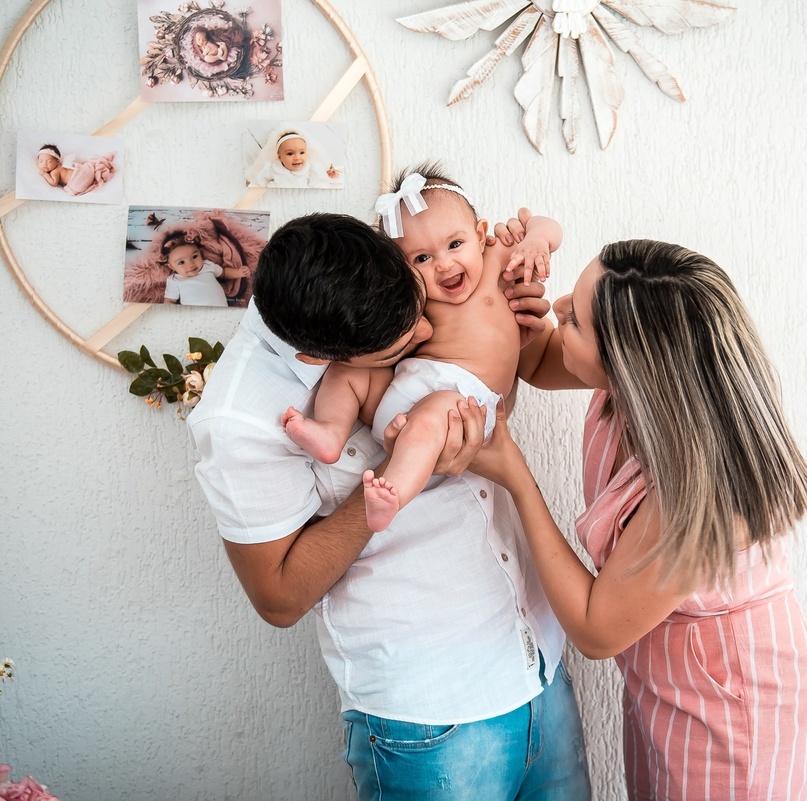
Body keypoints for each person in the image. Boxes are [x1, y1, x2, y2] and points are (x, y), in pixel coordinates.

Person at [188, 212, 591, 800]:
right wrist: (403, 470)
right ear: (324, 357)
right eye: (405, 341)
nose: (424, 332)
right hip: (431, 716)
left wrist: (513, 329)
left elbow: (501, 368)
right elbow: (278, 597)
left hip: (536, 661)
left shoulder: (375, 269)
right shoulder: (240, 420)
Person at [470, 238, 807, 801]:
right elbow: (539, 358)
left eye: (577, 321)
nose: (559, 308)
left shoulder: (706, 485)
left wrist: (514, 474)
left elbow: (596, 629)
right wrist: (505, 295)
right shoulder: (636, 393)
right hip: (664, 674)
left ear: (630, 362)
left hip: (733, 694)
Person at [281, 167, 558, 531]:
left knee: (429, 418)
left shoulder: (501, 258)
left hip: (460, 401)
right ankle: (331, 430)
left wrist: (536, 238)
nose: (443, 264)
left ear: (480, 235)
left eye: (455, 245)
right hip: (402, 388)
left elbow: (546, 225)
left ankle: (393, 494)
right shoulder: (410, 295)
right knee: (347, 371)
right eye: (421, 259)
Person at [160, 231, 249, 307]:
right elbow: (170, 301)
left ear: (200, 253)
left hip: (222, 311)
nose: (191, 265)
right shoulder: (174, 280)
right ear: (171, 266)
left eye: (194, 256)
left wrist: (238, 272)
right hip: (195, 316)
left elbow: (224, 272)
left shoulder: (207, 266)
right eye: (181, 262)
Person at [245, 130, 341, 189]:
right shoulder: (273, 169)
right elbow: (259, 183)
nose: (297, 158)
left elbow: (320, 184)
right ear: (280, 157)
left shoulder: (310, 169)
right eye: (290, 153)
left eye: (302, 153)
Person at [35, 143, 116, 197]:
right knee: (93, 164)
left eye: (49, 162)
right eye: (41, 161)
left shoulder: (54, 172)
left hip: (78, 181)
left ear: (57, 162)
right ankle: (107, 156)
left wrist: (44, 174)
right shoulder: (61, 167)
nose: (44, 164)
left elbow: (53, 183)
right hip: (87, 172)